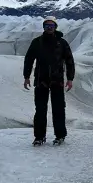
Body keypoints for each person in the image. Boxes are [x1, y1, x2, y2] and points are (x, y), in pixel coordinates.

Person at [23, 16, 75, 145]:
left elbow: (69, 61)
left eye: (51, 26)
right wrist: (26, 76)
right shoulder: (37, 42)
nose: (49, 28)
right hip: (41, 80)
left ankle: (60, 135)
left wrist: (70, 78)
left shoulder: (62, 43)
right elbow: (29, 59)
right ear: (44, 27)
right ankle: (39, 137)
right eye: (47, 26)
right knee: (40, 109)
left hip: (57, 81)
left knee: (58, 109)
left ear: (55, 27)